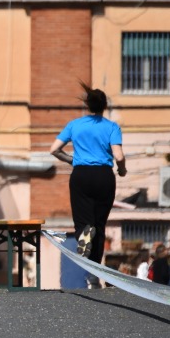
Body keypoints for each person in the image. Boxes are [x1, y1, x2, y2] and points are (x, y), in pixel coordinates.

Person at [50, 84, 127, 288]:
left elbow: (54, 149)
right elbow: (119, 156)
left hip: (81, 175)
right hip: (103, 176)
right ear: (104, 106)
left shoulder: (74, 125)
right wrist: (122, 170)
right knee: (99, 225)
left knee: (84, 222)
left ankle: (84, 236)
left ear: (88, 105)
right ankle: (94, 275)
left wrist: (72, 160)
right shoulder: (111, 127)